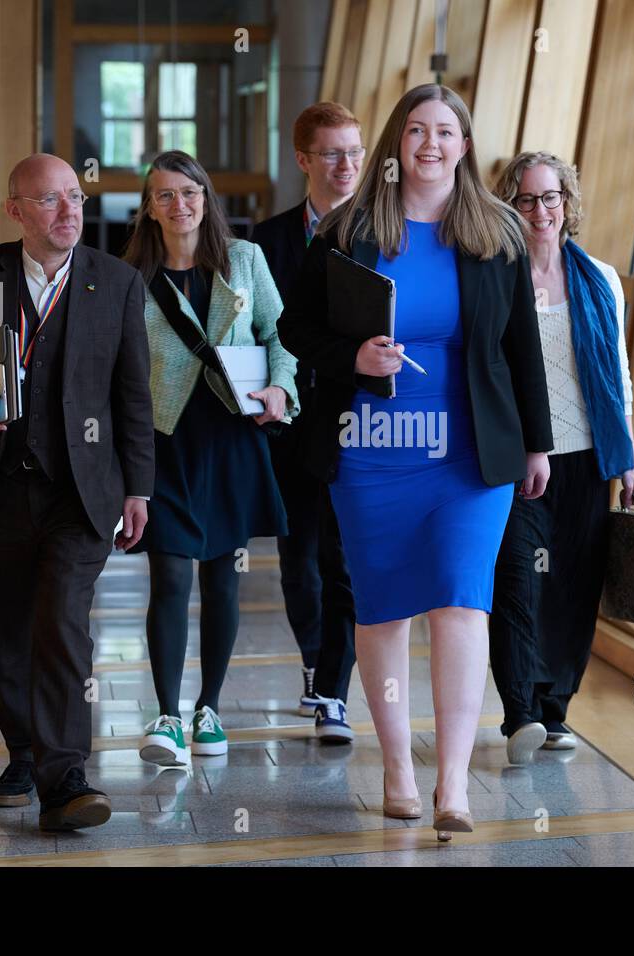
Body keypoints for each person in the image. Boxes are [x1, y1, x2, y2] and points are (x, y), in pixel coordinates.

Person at [277, 84, 553, 840]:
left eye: (446, 131)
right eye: (417, 130)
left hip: (470, 456)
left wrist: (537, 443)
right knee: (384, 609)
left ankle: (453, 784)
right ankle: (398, 767)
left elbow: (520, 347)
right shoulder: (349, 229)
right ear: (398, 143)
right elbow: (295, 326)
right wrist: (353, 356)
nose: (431, 143)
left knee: (464, 603)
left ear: (465, 145)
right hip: (373, 451)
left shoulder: (495, 233)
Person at [0, 153, 154, 831]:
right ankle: (22, 752)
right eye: (49, 201)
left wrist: (139, 487)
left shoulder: (115, 283)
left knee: (61, 624)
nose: (68, 212)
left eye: (75, 198)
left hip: (81, 494)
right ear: (15, 210)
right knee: (12, 628)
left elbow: (132, 397)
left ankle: (65, 777)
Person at [122, 150, 299, 769]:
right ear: (149, 208)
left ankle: (210, 706)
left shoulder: (245, 260)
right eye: (165, 195)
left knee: (223, 579)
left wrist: (280, 387)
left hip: (231, 437)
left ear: (206, 196)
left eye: (189, 191)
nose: (180, 204)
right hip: (164, 441)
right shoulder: (131, 278)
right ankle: (168, 714)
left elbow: (281, 336)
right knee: (169, 575)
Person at [489, 151, 634, 764]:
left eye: (550, 197)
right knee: (519, 583)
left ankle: (555, 710)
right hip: (520, 457)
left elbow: (620, 377)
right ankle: (520, 711)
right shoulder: (494, 276)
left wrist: (626, 459)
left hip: (587, 457)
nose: (540, 210)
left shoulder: (599, 278)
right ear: (511, 206)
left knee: (574, 587)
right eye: (527, 200)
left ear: (567, 203)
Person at [251, 101, 363, 742]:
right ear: (303, 160)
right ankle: (313, 660)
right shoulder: (265, 241)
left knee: (342, 558)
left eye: (353, 151)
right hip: (290, 420)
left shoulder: (388, 232)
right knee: (300, 560)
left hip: (359, 418)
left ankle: (333, 690)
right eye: (331, 153)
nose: (346, 165)